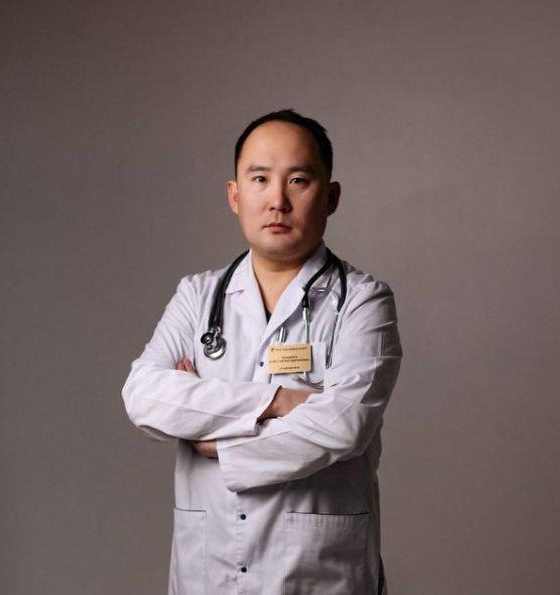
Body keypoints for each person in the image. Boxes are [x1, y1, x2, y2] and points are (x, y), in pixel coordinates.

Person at [121, 108, 402, 595]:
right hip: (207, 572)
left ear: (330, 197)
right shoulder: (197, 296)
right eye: (259, 179)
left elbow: (343, 425)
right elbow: (143, 397)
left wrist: (216, 441)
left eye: (298, 180)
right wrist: (277, 402)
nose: (277, 200)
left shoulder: (363, 301)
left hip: (318, 576)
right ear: (234, 196)